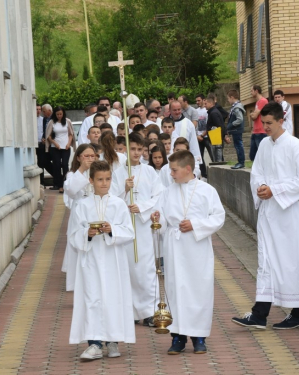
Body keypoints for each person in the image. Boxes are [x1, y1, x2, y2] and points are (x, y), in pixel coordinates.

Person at [231, 102, 299, 330]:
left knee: (289, 262)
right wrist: (262, 186)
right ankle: (260, 314)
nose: (265, 127)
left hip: (286, 213)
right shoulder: (263, 145)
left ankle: (294, 312)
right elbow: (257, 172)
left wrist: (276, 190)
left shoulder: (294, 146)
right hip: (268, 212)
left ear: (281, 121)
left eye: (269, 123)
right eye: (263, 123)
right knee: (267, 261)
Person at [151, 150, 225, 355]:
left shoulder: (207, 191)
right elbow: (162, 219)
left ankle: (199, 337)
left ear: (188, 169)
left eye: (174, 170)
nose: (171, 174)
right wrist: (157, 219)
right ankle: (178, 338)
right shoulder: (167, 192)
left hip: (197, 248)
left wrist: (196, 224)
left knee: (198, 290)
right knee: (175, 291)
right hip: (174, 248)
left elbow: (218, 217)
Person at [69, 160, 136, 361]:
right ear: (91, 181)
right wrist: (87, 233)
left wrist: (112, 230)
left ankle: (113, 341)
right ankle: (95, 343)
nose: (104, 183)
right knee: (92, 298)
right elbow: (73, 235)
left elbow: (129, 233)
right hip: (90, 259)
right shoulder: (82, 205)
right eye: (100, 180)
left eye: (107, 179)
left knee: (113, 298)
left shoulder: (118, 204)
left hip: (113, 260)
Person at [110, 132, 163, 327]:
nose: (136, 153)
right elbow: (110, 199)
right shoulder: (117, 174)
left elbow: (159, 196)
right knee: (127, 269)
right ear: (125, 149)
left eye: (140, 150)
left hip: (142, 226)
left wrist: (140, 207)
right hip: (125, 226)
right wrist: (124, 189)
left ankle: (150, 311)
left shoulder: (150, 172)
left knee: (146, 269)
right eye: (132, 149)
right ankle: (129, 311)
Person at [62, 144, 97, 291]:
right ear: (78, 157)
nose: (89, 159)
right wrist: (82, 169)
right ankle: (76, 283)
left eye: (92, 156)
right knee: (77, 244)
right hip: (79, 215)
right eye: (86, 156)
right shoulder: (72, 175)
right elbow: (70, 190)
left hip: (95, 212)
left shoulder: (98, 172)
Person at [45, 106, 76, 193]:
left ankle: (66, 183)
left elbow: (71, 134)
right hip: (55, 147)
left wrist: (69, 143)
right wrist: (55, 143)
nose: (59, 116)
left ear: (63, 114)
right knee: (57, 166)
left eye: (61, 114)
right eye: (57, 114)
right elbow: (49, 135)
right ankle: (60, 185)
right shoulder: (52, 122)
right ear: (55, 114)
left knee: (65, 165)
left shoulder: (67, 121)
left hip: (66, 147)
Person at [225, 89, 246, 169]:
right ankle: (240, 161)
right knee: (237, 145)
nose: (228, 100)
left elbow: (240, 119)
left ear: (232, 97)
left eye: (228, 98)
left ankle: (241, 162)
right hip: (235, 130)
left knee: (238, 145)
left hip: (237, 129)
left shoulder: (236, 108)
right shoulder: (236, 107)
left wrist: (231, 125)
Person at [248, 85, 268, 161]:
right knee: (252, 156)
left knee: (261, 155)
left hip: (261, 132)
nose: (251, 93)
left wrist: (252, 114)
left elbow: (254, 116)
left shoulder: (263, 101)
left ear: (256, 91)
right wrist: (252, 114)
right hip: (255, 131)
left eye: (251, 91)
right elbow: (254, 115)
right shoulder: (258, 102)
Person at [195, 94, 212, 180]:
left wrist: (203, 134)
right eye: (196, 101)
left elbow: (209, 125)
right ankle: (204, 175)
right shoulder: (195, 111)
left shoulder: (207, 111)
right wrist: (197, 135)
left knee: (212, 154)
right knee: (200, 157)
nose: (197, 102)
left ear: (204, 100)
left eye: (199, 100)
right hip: (198, 137)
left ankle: (213, 173)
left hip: (206, 136)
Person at [205, 95, 225, 163]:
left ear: (211, 103)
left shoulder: (213, 113)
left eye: (206, 103)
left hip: (215, 138)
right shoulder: (212, 112)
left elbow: (219, 126)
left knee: (217, 158)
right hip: (215, 138)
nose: (205, 105)